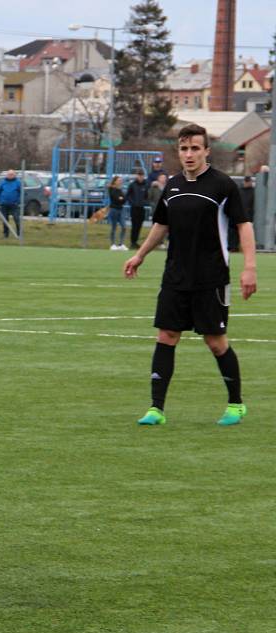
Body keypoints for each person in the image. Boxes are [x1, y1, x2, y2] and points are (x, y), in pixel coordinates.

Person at [123, 123, 257, 427]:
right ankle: (156, 409)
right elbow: (161, 225)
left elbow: (243, 226)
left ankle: (236, 404)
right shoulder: (171, 185)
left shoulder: (222, 185)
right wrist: (140, 255)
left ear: (206, 151)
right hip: (175, 277)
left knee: (215, 342)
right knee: (167, 336)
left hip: (211, 278)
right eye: (184, 148)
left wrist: (249, 268)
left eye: (195, 148)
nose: (189, 154)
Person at [230, 176, 255, 252]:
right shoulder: (239, 190)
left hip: (249, 216)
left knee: (246, 233)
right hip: (238, 215)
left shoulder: (255, 191)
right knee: (234, 232)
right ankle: (234, 247)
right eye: (246, 181)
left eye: (249, 181)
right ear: (244, 182)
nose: (247, 183)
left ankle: (246, 248)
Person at [126, 170, 149, 249]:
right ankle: (133, 242)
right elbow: (128, 195)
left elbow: (147, 196)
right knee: (134, 225)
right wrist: (133, 202)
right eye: (139, 175)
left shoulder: (145, 185)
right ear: (137, 176)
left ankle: (136, 241)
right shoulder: (132, 185)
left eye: (142, 175)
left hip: (141, 208)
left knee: (139, 225)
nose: (140, 177)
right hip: (134, 208)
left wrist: (144, 202)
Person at [0, 169, 21, 238]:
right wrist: (0, 200)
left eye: (12, 174)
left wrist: (18, 201)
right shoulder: (3, 182)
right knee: (5, 219)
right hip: (4, 204)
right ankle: (5, 234)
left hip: (14, 204)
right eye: (9, 174)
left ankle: (19, 233)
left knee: (16, 218)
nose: (10, 176)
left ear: (14, 175)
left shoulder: (18, 182)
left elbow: (21, 192)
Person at [107, 175, 127, 251]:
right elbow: (115, 198)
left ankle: (121, 244)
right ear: (115, 181)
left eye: (121, 180)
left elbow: (124, 199)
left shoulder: (120, 190)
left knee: (124, 227)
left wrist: (121, 198)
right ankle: (112, 244)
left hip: (121, 209)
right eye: (118, 180)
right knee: (114, 227)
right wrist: (120, 198)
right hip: (113, 209)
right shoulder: (111, 189)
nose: (120, 181)